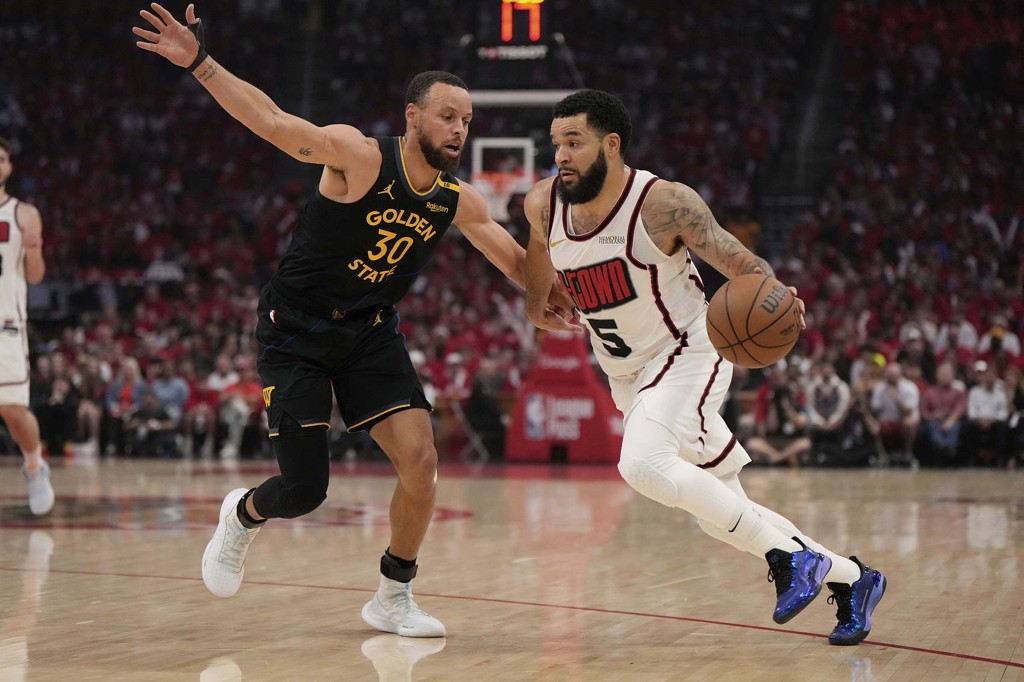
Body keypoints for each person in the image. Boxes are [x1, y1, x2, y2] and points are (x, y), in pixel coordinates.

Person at [133, 3, 573, 638]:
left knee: (421, 462)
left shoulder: (458, 200)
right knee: (304, 491)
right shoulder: (357, 155)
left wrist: (558, 283)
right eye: (448, 116)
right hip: (296, 329)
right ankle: (243, 515)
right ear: (412, 116)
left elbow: (514, 264)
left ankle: (393, 595)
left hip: (368, 331)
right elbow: (272, 121)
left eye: (467, 121)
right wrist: (200, 62)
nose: (459, 130)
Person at [523, 90, 886, 646]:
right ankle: (853, 578)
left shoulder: (663, 204)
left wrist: (776, 295)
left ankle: (790, 557)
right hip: (627, 375)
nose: (561, 155)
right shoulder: (543, 206)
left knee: (642, 465)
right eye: (556, 144)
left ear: (611, 144)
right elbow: (537, 289)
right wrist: (544, 306)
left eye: (574, 142)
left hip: (688, 351)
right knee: (723, 515)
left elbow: (741, 263)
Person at [0, 137, 54, 516]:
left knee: (12, 409)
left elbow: (35, 277)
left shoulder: (23, 214)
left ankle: (34, 465)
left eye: (1, 158)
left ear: (9, 167)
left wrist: (34, 252)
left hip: (5, 324)